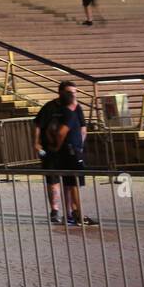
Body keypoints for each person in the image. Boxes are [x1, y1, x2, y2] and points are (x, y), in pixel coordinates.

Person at [35, 81, 98, 226]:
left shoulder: (71, 110)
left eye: (75, 92)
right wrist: (55, 146)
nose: (75, 95)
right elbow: (59, 131)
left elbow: (80, 129)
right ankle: (77, 214)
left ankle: (70, 214)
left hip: (71, 150)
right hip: (69, 152)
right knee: (73, 182)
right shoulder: (66, 112)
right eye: (71, 93)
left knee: (69, 183)